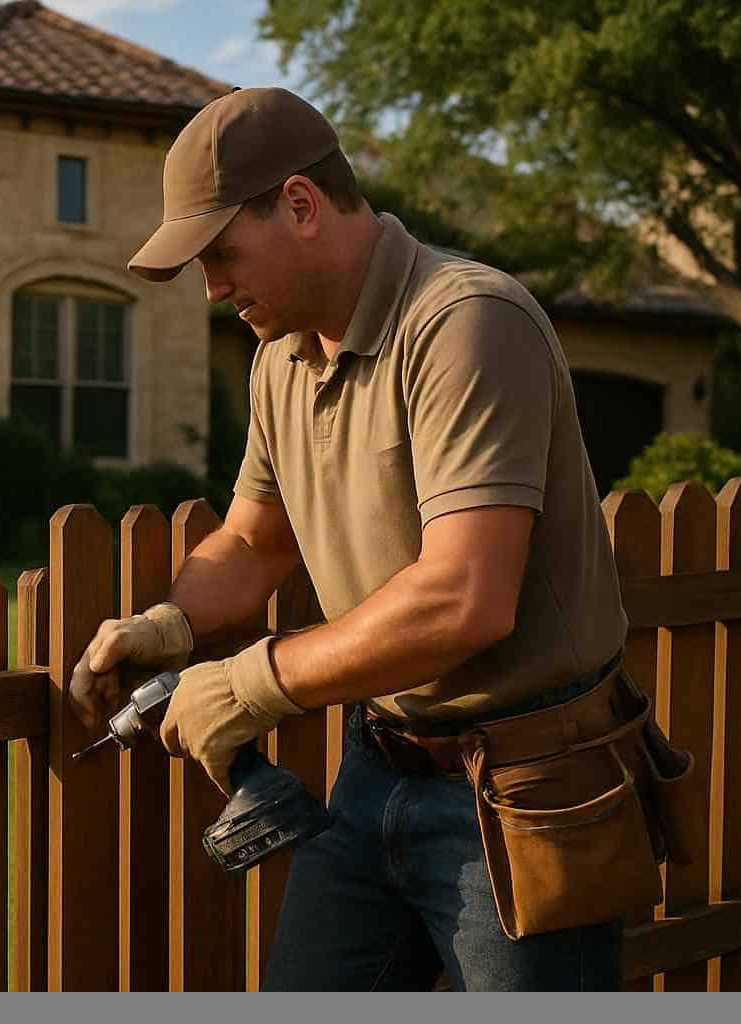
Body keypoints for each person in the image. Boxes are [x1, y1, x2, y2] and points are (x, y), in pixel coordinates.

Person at [68, 87, 662, 991]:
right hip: (372, 774)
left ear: (301, 205)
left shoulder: (466, 323)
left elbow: (467, 597)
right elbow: (256, 541)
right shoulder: (281, 357)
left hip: (525, 790)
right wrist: (172, 625)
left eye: (222, 254)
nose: (213, 288)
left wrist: (252, 684)